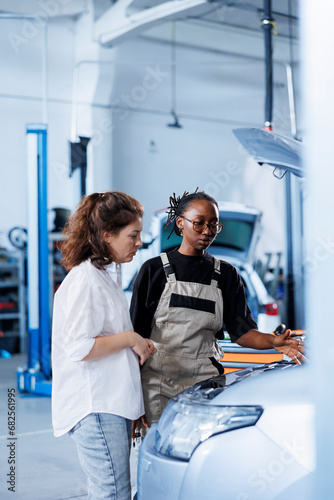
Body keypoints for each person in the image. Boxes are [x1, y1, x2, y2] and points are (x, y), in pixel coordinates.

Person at [130, 190, 305, 427]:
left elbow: (242, 332)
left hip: (205, 385)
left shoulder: (227, 275)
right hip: (156, 385)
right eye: (199, 223)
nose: (207, 231)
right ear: (180, 223)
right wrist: (132, 402)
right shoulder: (154, 270)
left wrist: (273, 342)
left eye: (213, 224)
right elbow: (136, 338)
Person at [51, 191, 156, 500]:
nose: (139, 242)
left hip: (110, 404)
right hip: (96, 407)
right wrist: (131, 339)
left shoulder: (105, 274)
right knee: (113, 494)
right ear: (107, 234)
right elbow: (80, 347)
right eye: (133, 235)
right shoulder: (85, 279)